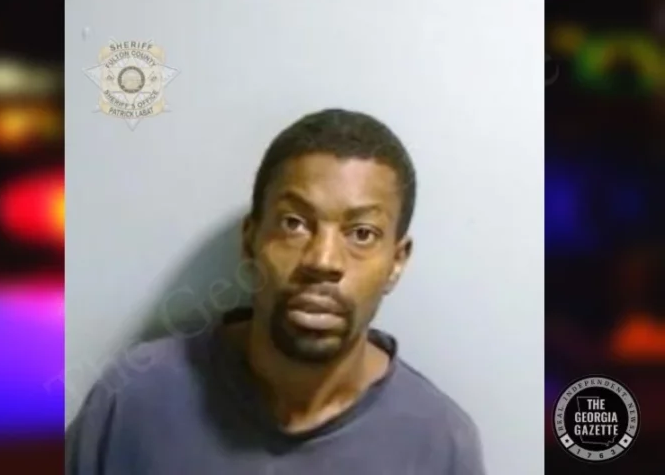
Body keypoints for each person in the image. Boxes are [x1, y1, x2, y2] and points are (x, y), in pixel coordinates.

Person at [66, 109, 486, 474]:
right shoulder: (132, 400)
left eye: (362, 233)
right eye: (294, 223)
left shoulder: (440, 443)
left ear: (396, 261)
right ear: (250, 240)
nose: (322, 260)